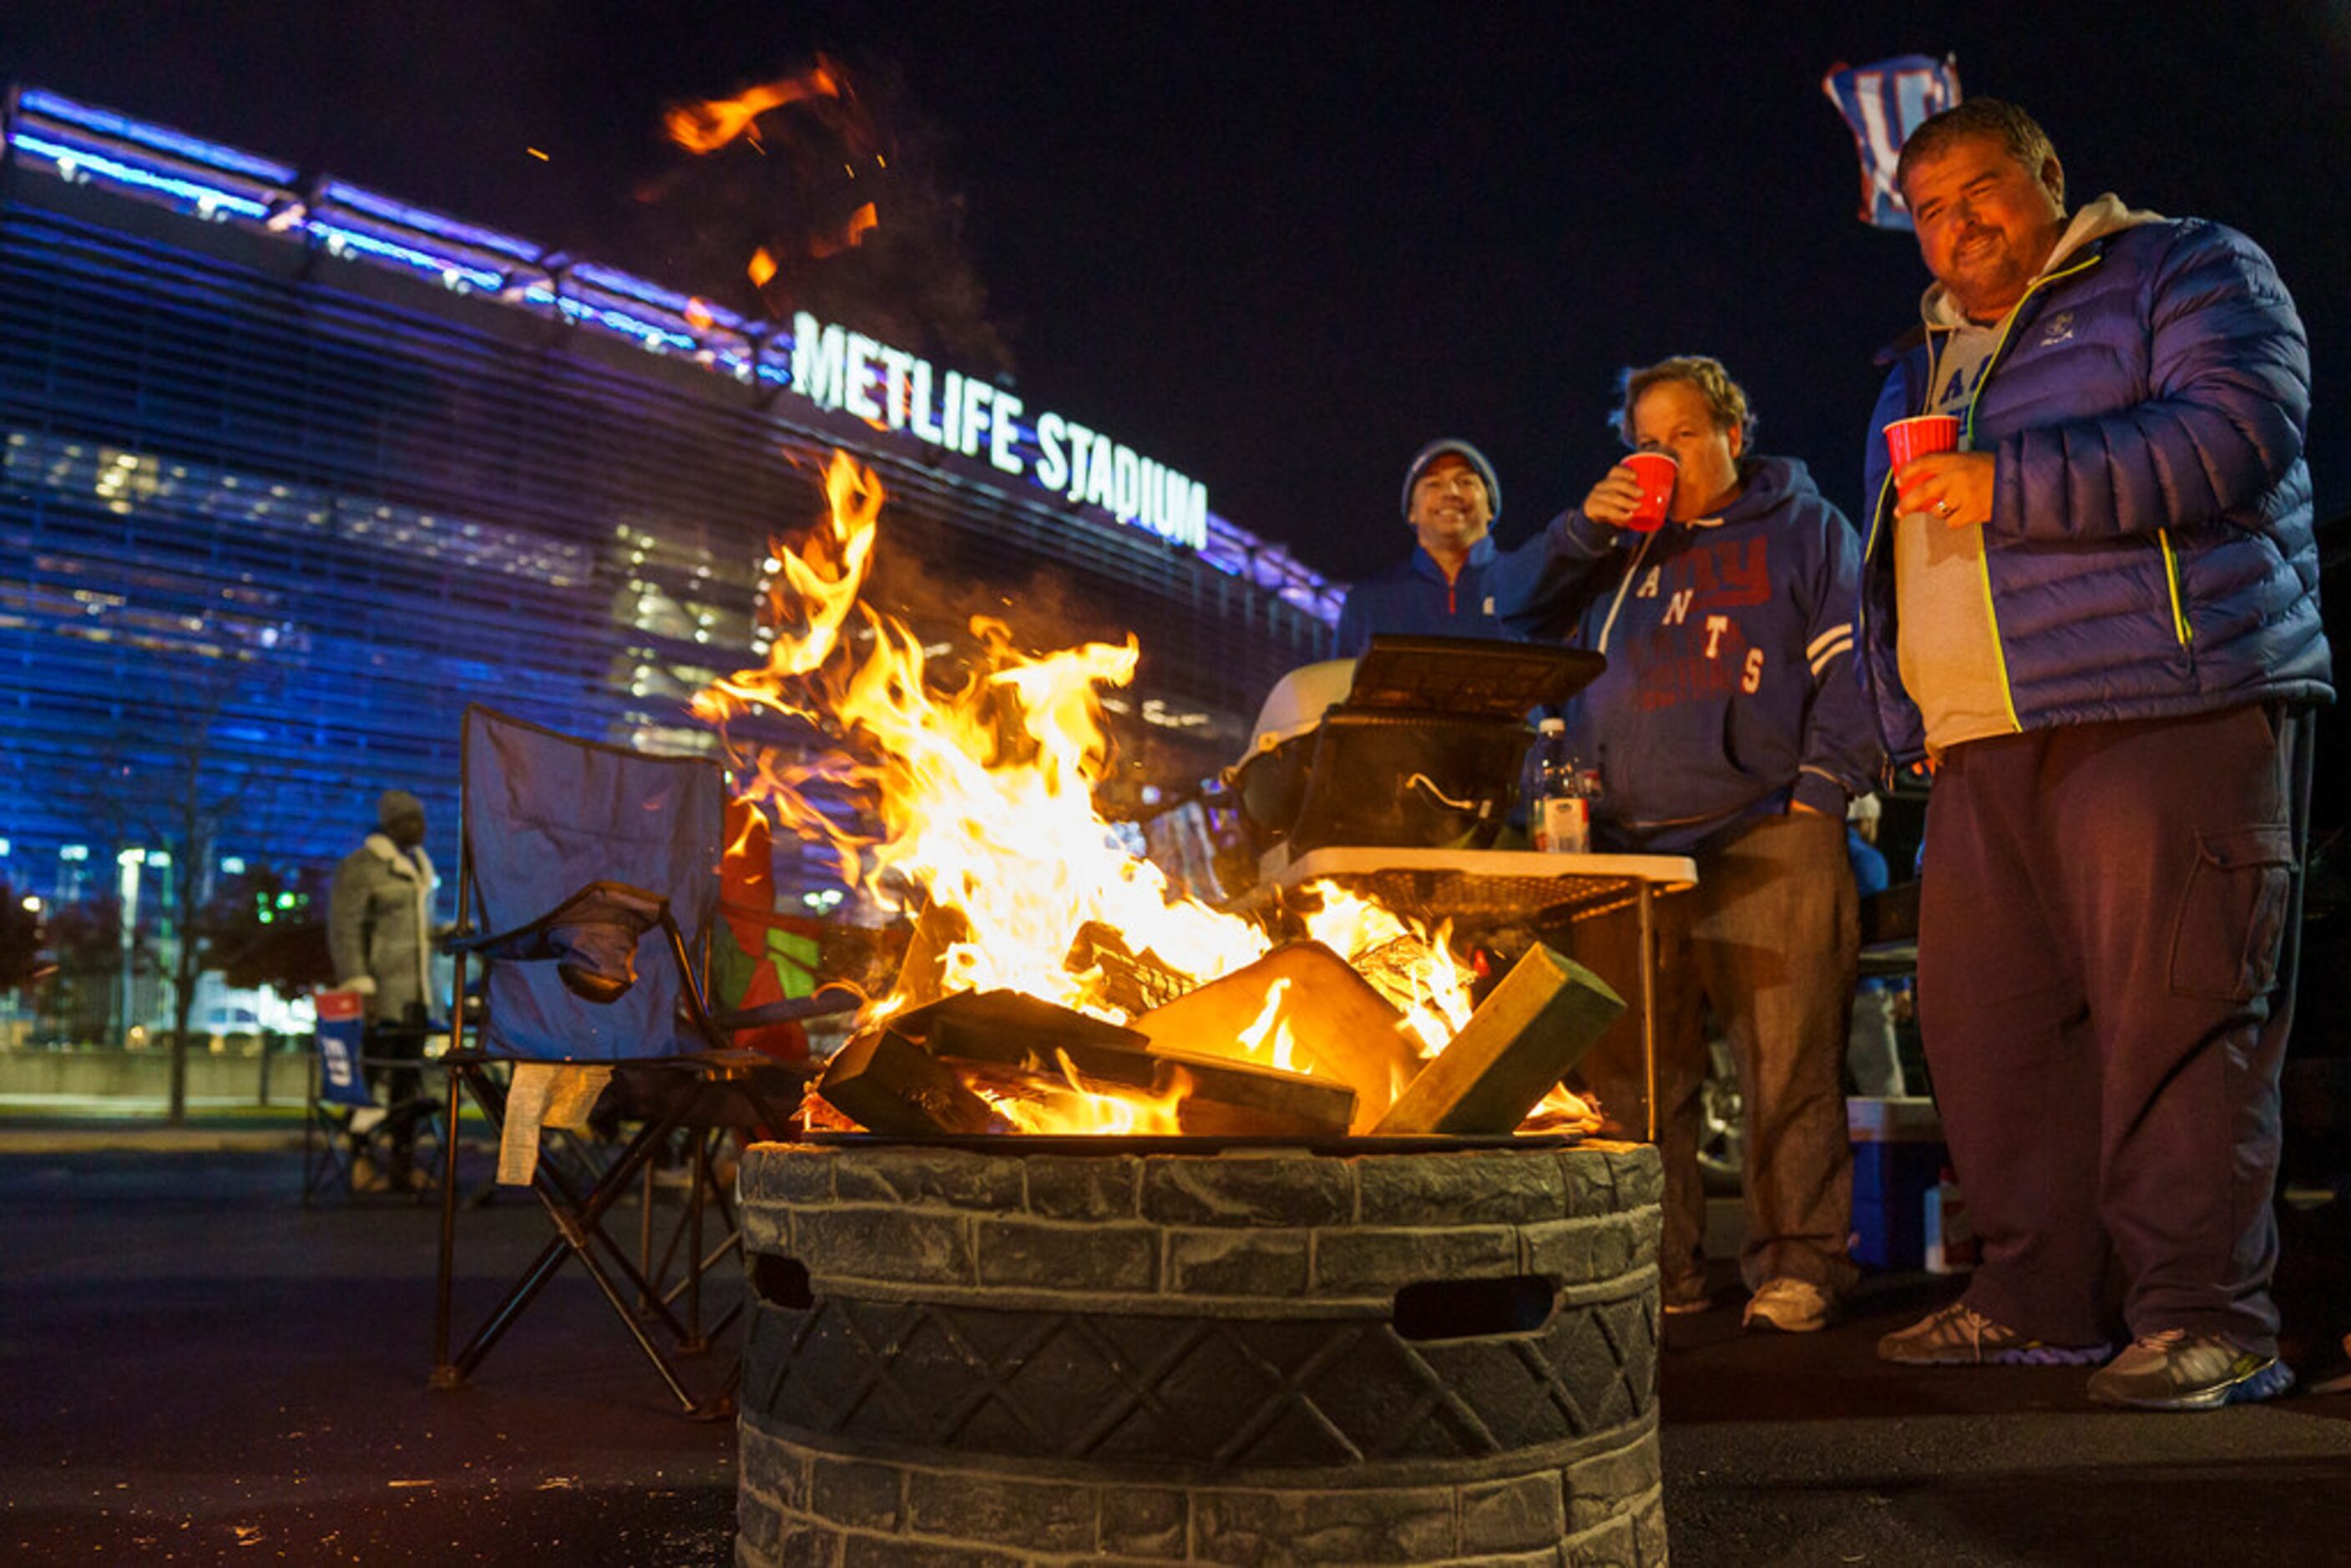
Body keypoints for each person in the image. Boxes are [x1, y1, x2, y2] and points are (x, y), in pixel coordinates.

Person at [1858, 99, 2330, 1409]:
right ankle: (2034, 1297)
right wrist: (1904, 718)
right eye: (1930, 209)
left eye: (1983, 189)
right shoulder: (1921, 357)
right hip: (1982, 740)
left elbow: (2237, 434)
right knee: (1993, 1036)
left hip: (2164, 703)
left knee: (2178, 1017)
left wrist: (2013, 479)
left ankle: (2209, 1319)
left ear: (2049, 178)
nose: (1959, 226)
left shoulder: (2183, 267)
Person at [1533, 356, 1878, 1333]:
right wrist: (1582, 529)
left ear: (1733, 430)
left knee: (1789, 1063)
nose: (1663, 454)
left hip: (1768, 828)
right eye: (1645, 440)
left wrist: (1819, 793)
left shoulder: (1806, 529)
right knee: (1631, 1081)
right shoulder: (1614, 551)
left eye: (1682, 433)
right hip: (1626, 849)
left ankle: (1799, 1265)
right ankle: (1657, 1270)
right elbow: (1520, 618)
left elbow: (1855, 666)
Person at [1335, 439, 1556, 655]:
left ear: (1490, 508)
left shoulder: (1528, 585)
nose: (1451, 492)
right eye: (1433, 483)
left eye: (1466, 482)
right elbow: (1339, 689)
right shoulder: (1368, 603)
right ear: (1411, 512)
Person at [328, 789, 442, 1190]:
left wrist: (441, 936)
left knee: (408, 1086)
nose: (423, 828)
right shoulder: (363, 867)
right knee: (372, 1080)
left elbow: (415, 934)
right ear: (394, 824)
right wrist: (362, 986)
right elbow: (345, 929)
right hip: (381, 995)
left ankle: (401, 1165)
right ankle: (359, 1160)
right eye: (414, 820)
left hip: (417, 996)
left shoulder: (418, 869)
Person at [1843, 793, 1907, 1099]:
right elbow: (1881, 928)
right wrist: (1900, 983)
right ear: (1866, 821)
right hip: (1864, 991)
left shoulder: (1814, 854)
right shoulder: (1866, 859)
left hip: (1814, 995)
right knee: (1885, 1096)